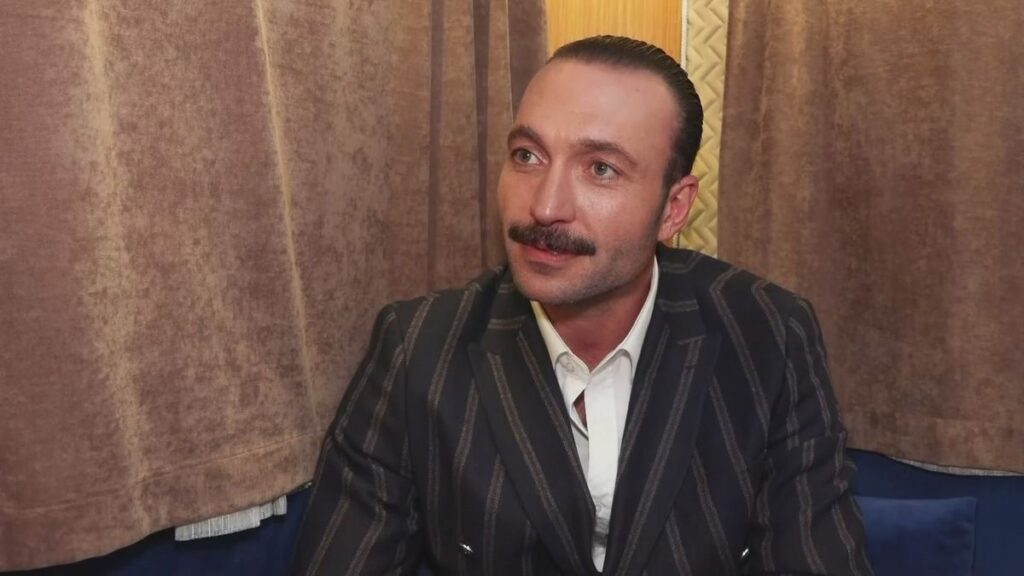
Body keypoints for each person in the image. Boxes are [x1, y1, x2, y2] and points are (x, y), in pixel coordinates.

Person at [290, 35, 872, 576]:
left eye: (600, 169)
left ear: (673, 208)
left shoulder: (769, 336)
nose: (545, 207)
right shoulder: (417, 348)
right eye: (527, 156)